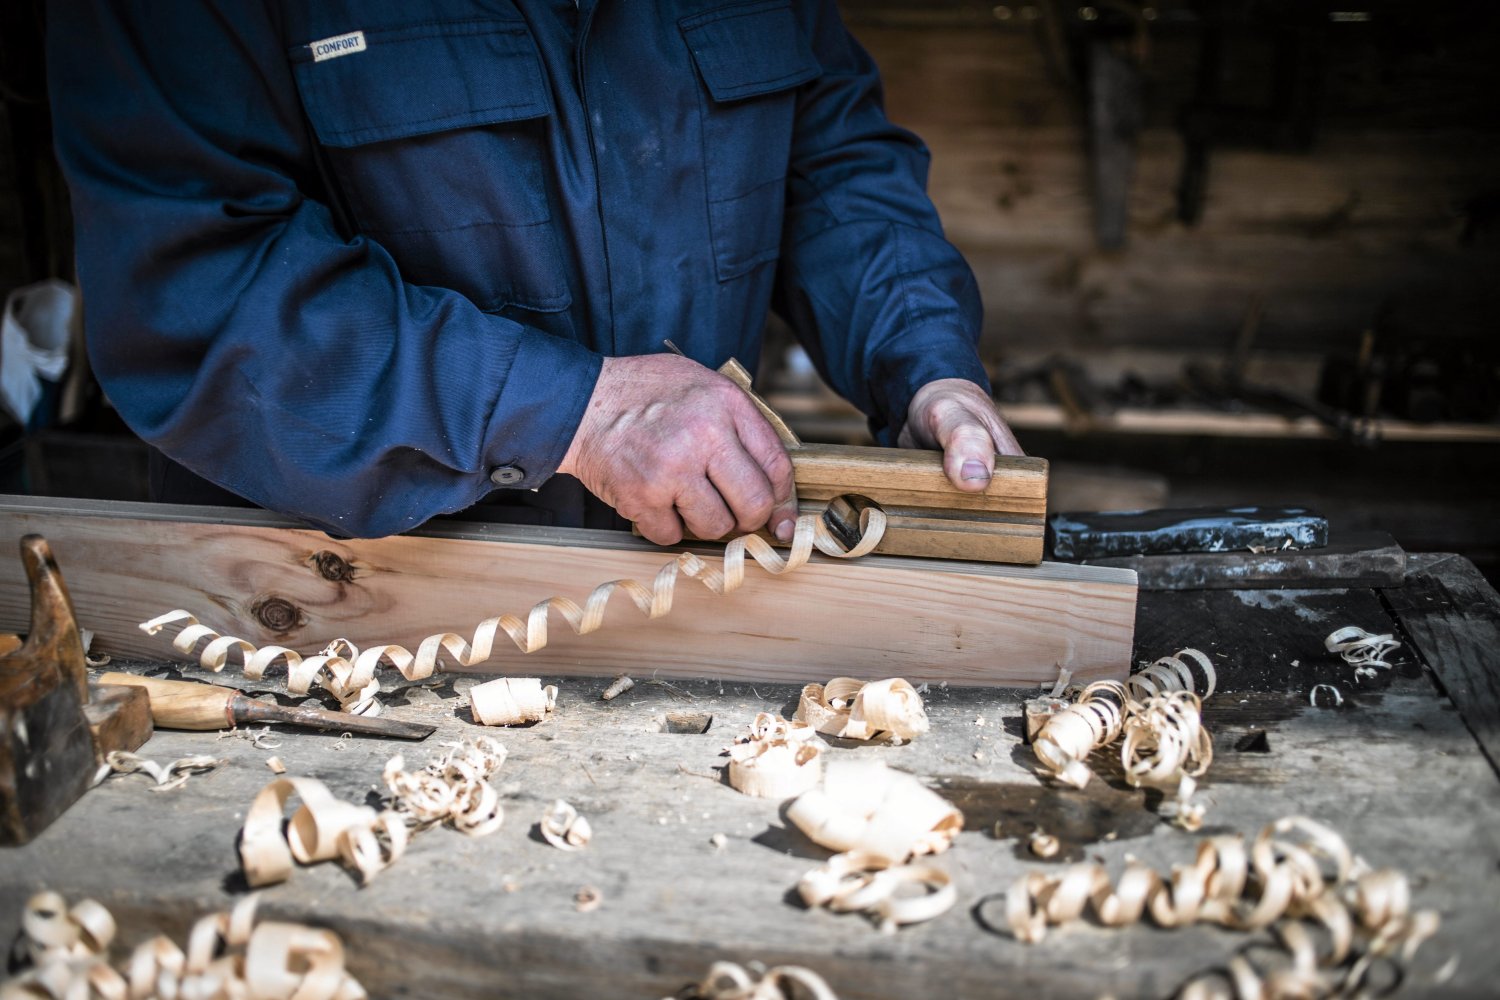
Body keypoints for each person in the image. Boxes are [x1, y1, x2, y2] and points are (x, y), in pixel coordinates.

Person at [47, 0, 1022, 545]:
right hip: (323, 625)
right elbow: (198, 287)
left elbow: (829, 151)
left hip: (684, 593)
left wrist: (922, 353)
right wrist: (579, 412)